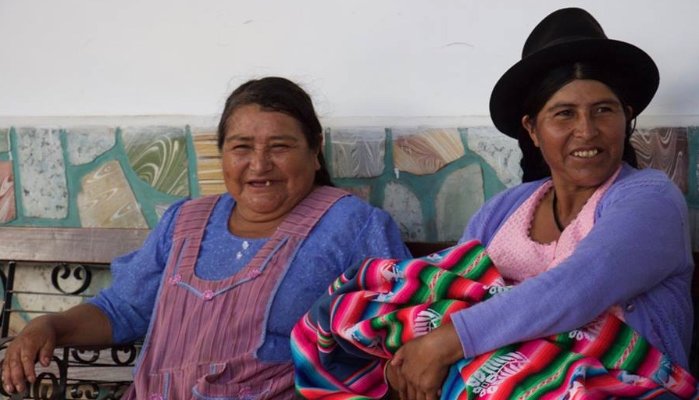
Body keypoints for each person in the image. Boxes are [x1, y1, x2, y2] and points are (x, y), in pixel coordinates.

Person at [1, 77, 410, 398]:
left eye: (280, 146)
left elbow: (402, 330)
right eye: (241, 147)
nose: (259, 164)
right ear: (222, 153)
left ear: (314, 149)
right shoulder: (185, 221)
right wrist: (50, 324)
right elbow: (123, 309)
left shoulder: (351, 225)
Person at [384, 7, 693, 400]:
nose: (586, 130)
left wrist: (445, 343)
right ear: (532, 128)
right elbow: (449, 289)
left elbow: (578, 288)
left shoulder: (650, 199)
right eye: (564, 114)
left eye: (604, 110)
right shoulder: (500, 212)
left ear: (626, 117)